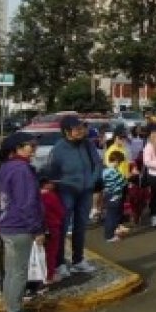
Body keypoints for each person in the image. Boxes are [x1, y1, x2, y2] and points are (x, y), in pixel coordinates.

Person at [0, 132, 46, 312]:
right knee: (18, 274)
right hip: (20, 227)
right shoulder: (22, 170)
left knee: (11, 273)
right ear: (16, 149)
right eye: (29, 146)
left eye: (34, 145)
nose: (34, 149)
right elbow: (27, 203)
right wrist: (37, 229)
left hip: (7, 225)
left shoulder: (5, 167)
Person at [48, 115, 103, 277]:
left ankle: (78, 260)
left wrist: (92, 181)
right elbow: (52, 174)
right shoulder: (58, 149)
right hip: (66, 192)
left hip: (85, 191)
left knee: (80, 227)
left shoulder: (87, 145)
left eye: (82, 128)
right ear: (66, 131)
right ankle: (59, 263)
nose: (81, 131)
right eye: (77, 129)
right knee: (62, 228)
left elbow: (97, 164)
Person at [38, 172, 64, 285]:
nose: (53, 184)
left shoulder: (33, 196)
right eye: (50, 182)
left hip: (38, 228)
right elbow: (60, 211)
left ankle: (39, 276)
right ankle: (49, 276)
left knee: (40, 252)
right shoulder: (50, 196)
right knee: (51, 252)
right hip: (52, 227)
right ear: (45, 184)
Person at [102, 150, 129, 243]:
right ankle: (109, 236)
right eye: (119, 162)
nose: (119, 164)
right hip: (114, 195)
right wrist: (128, 178)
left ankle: (111, 233)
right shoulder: (113, 171)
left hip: (108, 194)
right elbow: (123, 182)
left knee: (111, 214)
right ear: (116, 161)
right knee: (112, 216)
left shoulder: (105, 170)